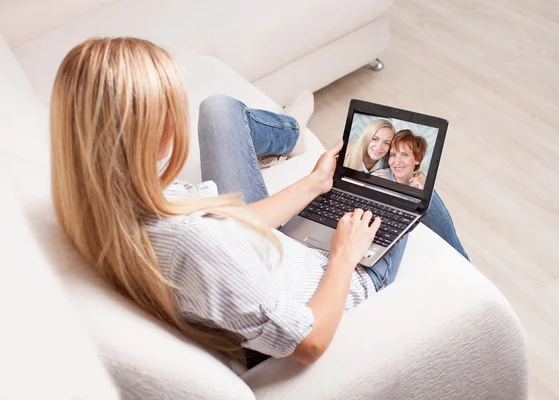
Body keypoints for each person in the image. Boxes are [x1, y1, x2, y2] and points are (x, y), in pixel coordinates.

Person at [50, 37, 468, 369]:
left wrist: (313, 184)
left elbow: (235, 225)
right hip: (335, 275)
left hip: (272, 250)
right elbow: (309, 341)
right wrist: (344, 255)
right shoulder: (197, 246)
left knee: (218, 110)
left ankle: (291, 132)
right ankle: (471, 288)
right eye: (171, 104)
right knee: (417, 197)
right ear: (149, 130)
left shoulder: (112, 199)